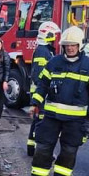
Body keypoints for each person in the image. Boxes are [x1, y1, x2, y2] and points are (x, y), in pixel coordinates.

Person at [26, 26, 89, 176]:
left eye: (73, 45)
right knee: (42, 149)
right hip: (51, 116)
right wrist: (35, 103)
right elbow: (42, 84)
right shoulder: (54, 62)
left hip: (75, 120)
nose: (70, 48)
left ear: (79, 45)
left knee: (68, 152)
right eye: (67, 45)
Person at [26, 20, 60, 156]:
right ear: (48, 34)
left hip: (40, 94)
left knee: (38, 122)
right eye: (54, 35)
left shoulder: (45, 50)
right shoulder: (42, 51)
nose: (56, 38)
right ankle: (39, 151)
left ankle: (32, 148)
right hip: (41, 95)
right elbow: (39, 74)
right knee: (41, 123)